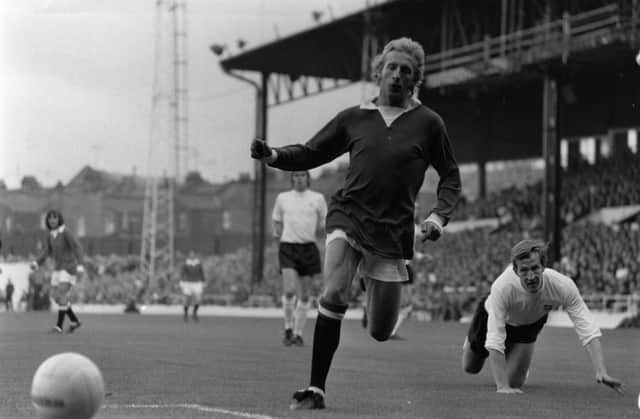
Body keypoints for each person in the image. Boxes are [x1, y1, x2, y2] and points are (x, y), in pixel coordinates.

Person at [251, 37, 461, 410]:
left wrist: (436, 218)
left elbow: (450, 177)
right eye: (392, 68)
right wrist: (273, 155)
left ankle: (369, 278)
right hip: (348, 215)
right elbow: (311, 152)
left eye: (406, 71)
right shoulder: (354, 118)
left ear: (415, 82)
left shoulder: (429, 124)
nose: (397, 75)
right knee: (333, 294)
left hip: (394, 231)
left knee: (380, 331)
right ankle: (316, 388)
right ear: (378, 72)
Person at [462, 239, 624, 394]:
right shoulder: (502, 287)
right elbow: (495, 336)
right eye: (524, 270)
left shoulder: (562, 286)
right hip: (491, 316)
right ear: (515, 271)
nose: (531, 276)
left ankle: (516, 357)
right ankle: (492, 349)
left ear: (544, 266)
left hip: (529, 326)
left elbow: (587, 328)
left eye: (534, 268)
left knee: (515, 383)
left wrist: (601, 370)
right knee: (470, 367)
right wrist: (502, 387)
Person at [272, 170, 328, 346]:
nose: (299, 178)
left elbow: (325, 222)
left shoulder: (318, 198)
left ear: (308, 178)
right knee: (289, 290)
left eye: (302, 175)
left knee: (304, 295)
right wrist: (278, 238)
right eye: (296, 175)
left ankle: (298, 333)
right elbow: (276, 220)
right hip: (288, 247)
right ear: (292, 179)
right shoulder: (283, 198)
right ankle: (288, 328)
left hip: (308, 248)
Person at [31, 210, 84, 334]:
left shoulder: (65, 232)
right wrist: (36, 263)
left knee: (61, 293)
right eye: (50, 218)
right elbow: (47, 251)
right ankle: (74, 321)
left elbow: (77, 247)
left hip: (69, 267)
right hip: (58, 269)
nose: (52, 220)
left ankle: (59, 327)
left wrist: (81, 266)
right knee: (57, 297)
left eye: (54, 217)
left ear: (59, 219)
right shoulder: (50, 235)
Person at [179, 250, 206, 322]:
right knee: (187, 300)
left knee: (198, 299)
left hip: (197, 283)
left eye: (193, 254)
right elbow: (182, 272)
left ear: (195, 255)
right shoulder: (186, 263)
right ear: (189, 255)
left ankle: (194, 313)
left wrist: (203, 281)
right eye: (190, 254)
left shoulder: (198, 263)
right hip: (187, 283)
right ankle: (185, 314)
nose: (192, 255)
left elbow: (201, 272)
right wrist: (181, 281)